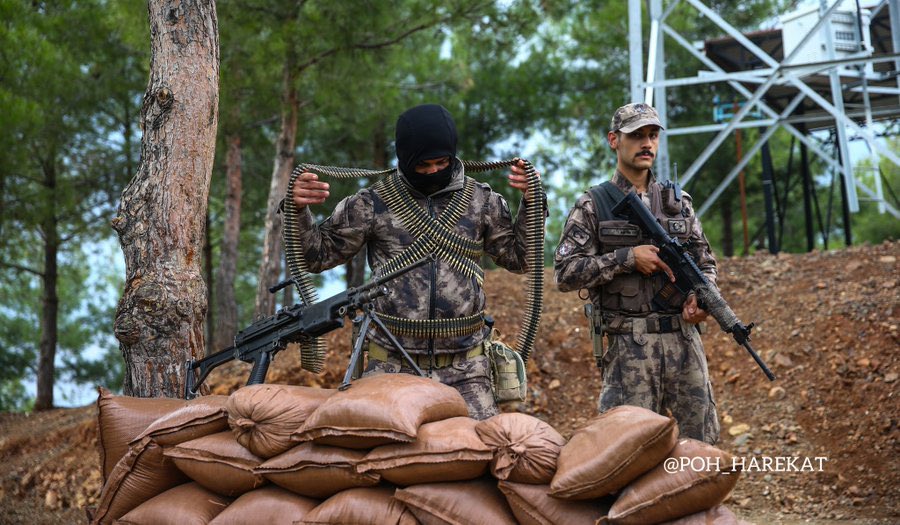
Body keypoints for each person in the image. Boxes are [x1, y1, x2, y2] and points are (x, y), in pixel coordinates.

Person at [291, 103, 540, 420]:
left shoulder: (482, 201)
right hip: (391, 365)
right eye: (423, 165)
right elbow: (317, 257)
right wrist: (298, 210)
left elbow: (520, 259)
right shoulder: (372, 203)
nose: (433, 171)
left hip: (466, 369)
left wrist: (532, 203)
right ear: (405, 159)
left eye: (441, 162)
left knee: (479, 447)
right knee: (381, 447)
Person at [554, 102, 720, 444]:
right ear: (614, 140)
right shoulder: (593, 204)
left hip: (684, 344)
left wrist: (701, 299)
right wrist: (626, 258)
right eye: (636, 136)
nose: (647, 143)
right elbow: (565, 272)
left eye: (653, 135)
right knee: (626, 448)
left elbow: (706, 264)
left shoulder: (679, 202)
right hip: (629, 347)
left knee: (701, 446)